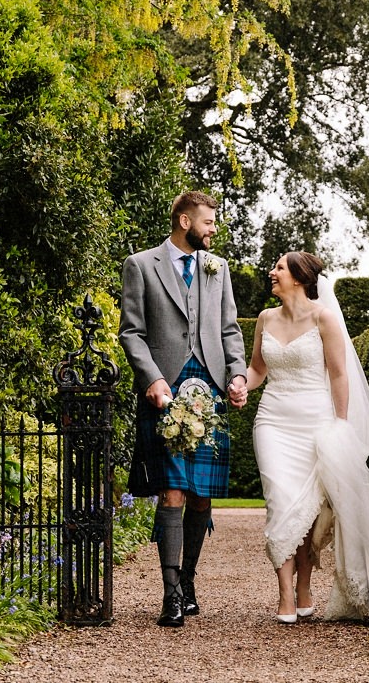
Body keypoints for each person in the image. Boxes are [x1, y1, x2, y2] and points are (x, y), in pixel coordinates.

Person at [119, 191, 249, 628]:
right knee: (172, 489)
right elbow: (132, 332)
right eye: (208, 222)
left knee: (201, 494)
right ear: (184, 220)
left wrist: (236, 375)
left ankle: (189, 581)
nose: (214, 229)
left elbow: (230, 329)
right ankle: (170, 592)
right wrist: (152, 379)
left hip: (210, 386)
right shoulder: (141, 265)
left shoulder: (218, 269)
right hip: (167, 386)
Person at [245, 251, 369, 623]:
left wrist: (340, 423)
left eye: (279, 268)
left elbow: (338, 374)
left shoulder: (324, 318)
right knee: (281, 502)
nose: (272, 272)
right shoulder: (265, 319)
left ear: (300, 278)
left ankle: (304, 587)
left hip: (314, 421)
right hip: (272, 421)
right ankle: (285, 594)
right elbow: (257, 369)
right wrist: (240, 385)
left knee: (308, 511)